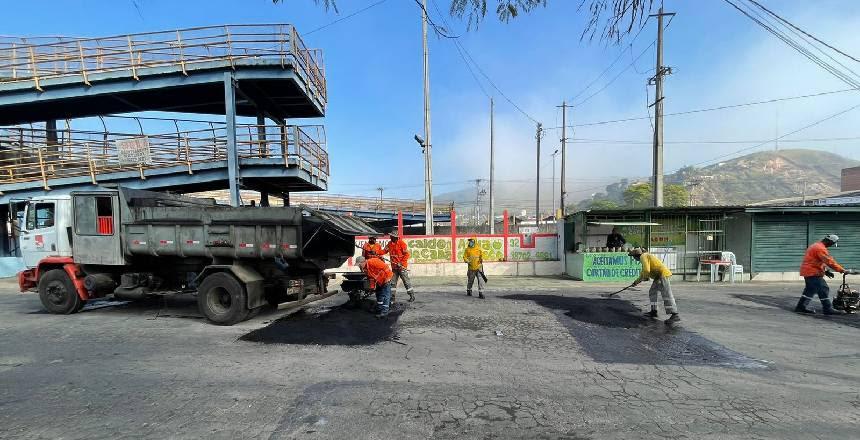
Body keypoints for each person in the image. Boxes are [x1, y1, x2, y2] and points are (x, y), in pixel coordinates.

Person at [795, 234, 850, 315]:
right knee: (823, 288)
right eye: (832, 244)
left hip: (808, 271)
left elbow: (817, 261)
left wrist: (826, 271)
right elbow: (829, 261)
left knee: (810, 290)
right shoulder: (820, 248)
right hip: (813, 273)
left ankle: (800, 307)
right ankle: (828, 309)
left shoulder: (815, 245)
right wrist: (842, 270)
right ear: (829, 241)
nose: (831, 246)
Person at [629, 248, 680, 325]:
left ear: (636, 255)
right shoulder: (645, 257)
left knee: (666, 294)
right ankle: (654, 311)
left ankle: (675, 314)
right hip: (658, 276)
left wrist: (646, 277)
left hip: (662, 275)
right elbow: (643, 273)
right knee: (652, 292)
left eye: (633, 256)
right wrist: (636, 282)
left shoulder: (643, 256)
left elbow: (646, 271)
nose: (634, 258)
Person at [381, 233, 415, 302]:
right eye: (390, 236)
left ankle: (412, 295)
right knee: (392, 283)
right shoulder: (389, 244)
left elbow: (407, 255)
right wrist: (376, 252)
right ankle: (392, 297)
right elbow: (384, 251)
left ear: (395, 237)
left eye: (391, 236)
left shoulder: (402, 244)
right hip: (394, 267)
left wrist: (401, 263)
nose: (390, 237)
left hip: (401, 267)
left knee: (406, 281)